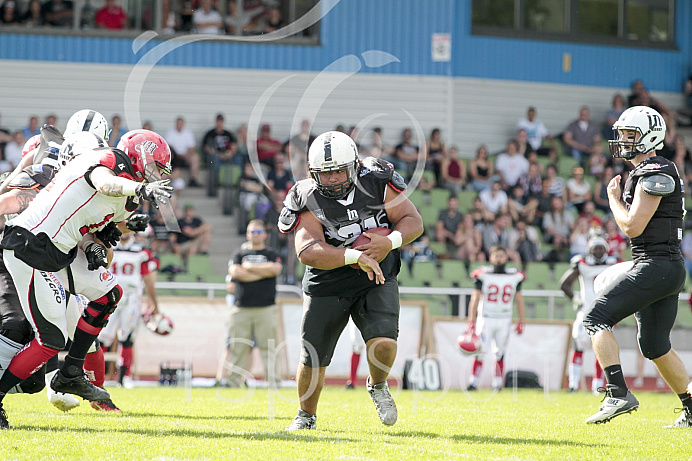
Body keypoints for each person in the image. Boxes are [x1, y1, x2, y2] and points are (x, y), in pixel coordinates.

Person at [0, 129, 173, 428]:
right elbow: (105, 183)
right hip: (30, 246)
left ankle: (72, 373)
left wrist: (108, 234)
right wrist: (140, 190)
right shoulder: (108, 160)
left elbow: (97, 228)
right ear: (138, 154)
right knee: (50, 340)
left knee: (109, 294)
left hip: (58, 251)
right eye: (155, 166)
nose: (156, 175)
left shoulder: (127, 190)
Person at [278, 131, 423, 430]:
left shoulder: (376, 181)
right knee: (313, 355)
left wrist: (391, 241)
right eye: (324, 173)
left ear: (354, 165)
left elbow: (413, 221)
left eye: (337, 171)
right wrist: (354, 256)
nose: (331, 179)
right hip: (329, 280)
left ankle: (378, 384)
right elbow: (307, 250)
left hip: (376, 273)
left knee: (384, 344)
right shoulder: (307, 196)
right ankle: (306, 416)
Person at [583, 106, 692, 427]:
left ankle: (617, 393)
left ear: (651, 136)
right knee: (655, 345)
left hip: (657, 265)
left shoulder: (655, 170)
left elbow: (632, 226)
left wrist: (613, 198)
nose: (622, 141)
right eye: (621, 134)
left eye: (630, 135)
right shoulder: (648, 170)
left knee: (595, 319)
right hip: (664, 267)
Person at [217, 219, 282, 388]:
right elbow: (235, 272)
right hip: (241, 308)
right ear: (247, 234)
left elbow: (275, 269)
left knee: (268, 347)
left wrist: (250, 267)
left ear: (265, 234)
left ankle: (273, 382)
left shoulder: (271, 252)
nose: (255, 235)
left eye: (258, 232)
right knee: (238, 347)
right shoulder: (239, 253)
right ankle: (233, 381)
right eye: (252, 232)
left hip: (266, 308)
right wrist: (263, 272)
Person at [98, 232, 160, 389]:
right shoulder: (108, 246)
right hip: (109, 297)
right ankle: (95, 375)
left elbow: (148, 279)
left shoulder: (141, 251)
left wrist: (154, 304)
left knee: (127, 338)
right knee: (102, 339)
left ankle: (124, 377)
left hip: (131, 298)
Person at [559, 235, 617, 393]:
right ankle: (573, 384)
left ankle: (597, 386)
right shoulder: (582, 263)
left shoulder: (614, 263)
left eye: (601, 248)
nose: (598, 251)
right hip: (587, 311)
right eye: (595, 248)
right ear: (589, 250)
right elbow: (564, 284)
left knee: (602, 350)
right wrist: (575, 299)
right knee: (579, 345)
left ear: (606, 249)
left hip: (605, 312)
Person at [464, 245, 525, 391]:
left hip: (505, 318)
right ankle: (473, 382)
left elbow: (519, 299)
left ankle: (497, 383)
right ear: (491, 258)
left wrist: (521, 320)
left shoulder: (514, 276)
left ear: (506, 257)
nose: (499, 259)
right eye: (496, 256)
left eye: (502, 256)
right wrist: (471, 320)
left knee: (500, 352)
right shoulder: (483, 275)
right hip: (486, 317)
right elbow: (475, 298)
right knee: (480, 351)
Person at [165, 116, 201, 187]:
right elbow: (168, 147)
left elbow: (192, 148)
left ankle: (193, 179)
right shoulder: (170, 133)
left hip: (185, 156)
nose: (179, 125)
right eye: (178, 123)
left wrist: (186, 155)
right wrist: (176, 154)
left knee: (195, 157)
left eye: (181, 124)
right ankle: (167, 179)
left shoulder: (188, 133)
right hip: (174, 156)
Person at [345, 318, 366, 389]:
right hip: (357, 315)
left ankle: (380, 381)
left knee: (378, 347)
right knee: (357, 348)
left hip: (375, 314)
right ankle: (352, 381)